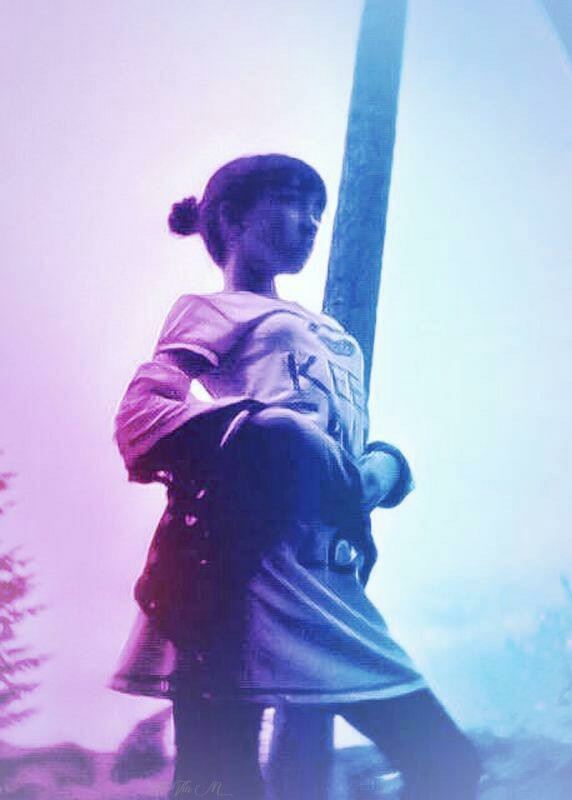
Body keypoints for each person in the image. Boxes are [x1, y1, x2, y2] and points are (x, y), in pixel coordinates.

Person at [110, 154, 481, 799]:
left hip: (328, 578)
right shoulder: (212, 309)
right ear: (232, 219)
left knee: (448, 763)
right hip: (237, 567)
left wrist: (387, 465)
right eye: (288, 201)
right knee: (219, 784)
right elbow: (141, 418)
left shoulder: (336, 335)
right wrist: (267, 427)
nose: (309, 222)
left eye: (317, 209)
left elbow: (344, 444)